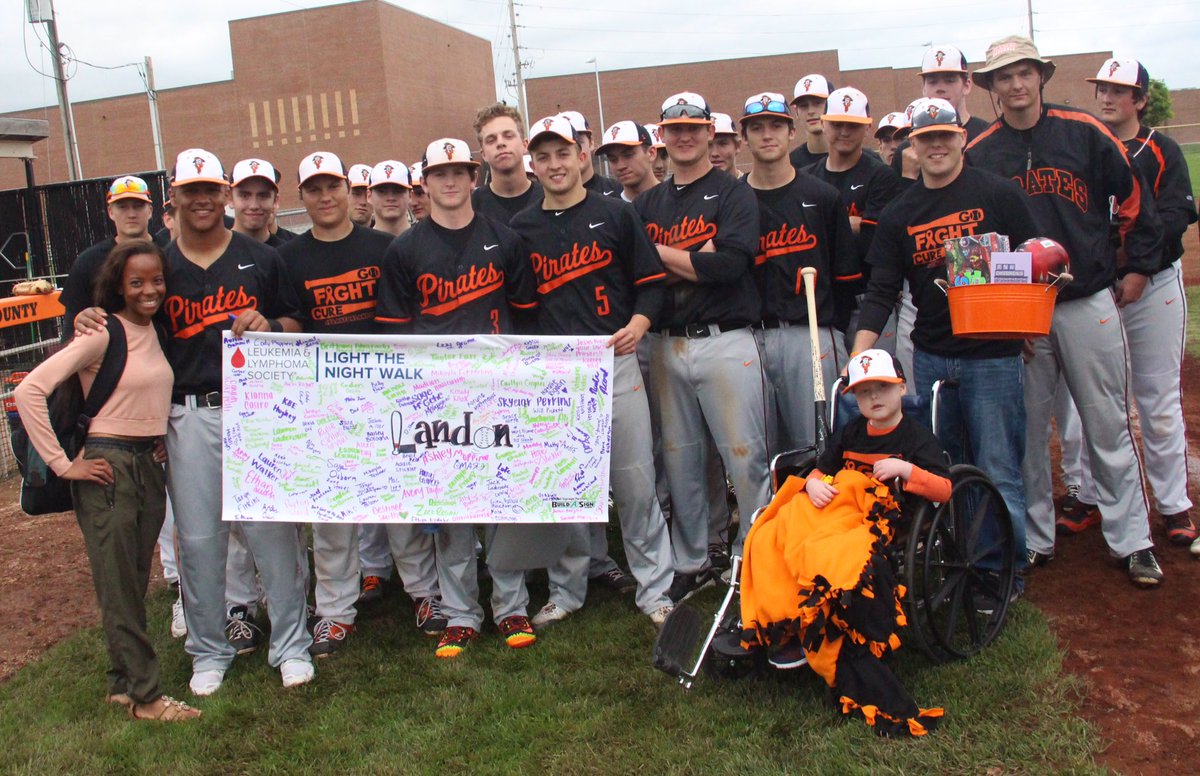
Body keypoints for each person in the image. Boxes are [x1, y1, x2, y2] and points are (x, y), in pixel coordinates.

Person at [79, 149, 315, 692]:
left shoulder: (261, 258)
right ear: (175, 200)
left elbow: (299, 320)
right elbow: (120, 320)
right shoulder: (157, 265)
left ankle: (291, 645)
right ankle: (209, 651)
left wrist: (273, 325)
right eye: (192, 191)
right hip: (188, 413)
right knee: (200, 539)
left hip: (258, 412)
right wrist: (88, 313)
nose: (203, 199)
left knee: (273, 533)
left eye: (212, 189)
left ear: (226, 193)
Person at [968, 35, 1165, 587]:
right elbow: (980, 238)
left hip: (1086, 299)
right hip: (1022, 308)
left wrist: (1137, 266)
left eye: (1023, 72)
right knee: (1026, 431)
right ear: (992, 87)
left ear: (1040, 77)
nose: (1015, 85)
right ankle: (1034, 539)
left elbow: (1133, 198)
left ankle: (1134, 540)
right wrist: (1003, 312)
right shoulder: (981, 150)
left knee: (1107, 422)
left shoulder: (1083, 129)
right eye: (1003, 77)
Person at [852, 98, 1040, 591]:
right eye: (925, 138)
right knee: (944, 465)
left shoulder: (996, 193)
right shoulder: (899, 214)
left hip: (993, 354)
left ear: (961, 138)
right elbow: (881, 291)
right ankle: (963, 563)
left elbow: (1034, 260)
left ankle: (1005, 572)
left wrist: (1020, 321)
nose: (936, 145)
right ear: (912, 146)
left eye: (945, 136)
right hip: (933, 353)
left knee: (997, 465)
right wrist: (861, 350)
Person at [16, 240, 199, 722]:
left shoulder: (156, 330)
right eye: (136, 282)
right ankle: (147, 696)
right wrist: (63, 463)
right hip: (107, 467)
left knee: (132, 580)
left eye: (156, 280)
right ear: (119, 284)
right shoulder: (102, 332)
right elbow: (30, 388)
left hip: (146, 464)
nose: (149, 290)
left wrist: (155, 436)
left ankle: (122, 684)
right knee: (117, 584)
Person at [510, 115, 676, 628]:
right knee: (566, 486)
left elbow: (652, 283)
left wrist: (640, 322)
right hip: (559, 375)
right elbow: (519, 309)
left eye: (563, 153)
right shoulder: (522, 229)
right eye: (544, 156)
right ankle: (566, 589)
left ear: (583, 156)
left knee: (634, 483)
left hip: (615, 360)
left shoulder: (615, 215)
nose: (554, 164)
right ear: (532, 166)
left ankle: (655, 590)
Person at [375, 138, 538, 658]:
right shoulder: (404, 249)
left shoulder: (504, 239)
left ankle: (510, 605)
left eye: (460, 172)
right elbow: (396, 335)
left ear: (475, 178)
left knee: (503, 501)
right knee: (451, 508)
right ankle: (461, 612)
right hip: (436, 396)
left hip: (498, 389)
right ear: (424, 183)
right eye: (440, 173)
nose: (450, 181)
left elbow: (525, 316)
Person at [283, 151, 446, 654]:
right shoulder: (289, 258)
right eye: (314, 188)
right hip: (325, 395)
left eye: (333, 185)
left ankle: (425, 592)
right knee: (332, 510)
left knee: (401, 499)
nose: (326, 196)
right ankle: (334, 610)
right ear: (303, 197)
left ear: (349, 188)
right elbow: (288, 323)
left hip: (388, 388)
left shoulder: (384, 247)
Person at [739, 349, 947, 737]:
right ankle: (785, 624)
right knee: (771, 532)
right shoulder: (851, 433)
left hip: (879, 521)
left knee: (833, 554)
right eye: (864, 392)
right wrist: (815, 481)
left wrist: (907, 470)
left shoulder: (916, 437)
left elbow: (946, 488)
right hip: (836, 510)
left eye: (882, 388)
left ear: (901, 387)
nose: (874, 399)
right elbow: (824, 467)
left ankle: (821, 629)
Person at [1050, 58, 1198, 548]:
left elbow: (1176, 213)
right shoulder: (1085, 144)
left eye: (1119, 90)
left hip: (1151, 286)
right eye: (1102, 89)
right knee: (1081, 401)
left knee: (1156, 401)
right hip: (1094, 289)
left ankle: (1174, 505)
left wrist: (1136, 263)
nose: (1108, 97)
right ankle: (1086, 493)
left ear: (1139, 99)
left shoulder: (1161, 149)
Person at [634, 91, 770, 602]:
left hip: (725, 340)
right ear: (661, 139)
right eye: (675, 129)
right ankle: (693, 559)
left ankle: (751, 552)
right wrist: (694, 257)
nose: (685, 136)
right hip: (667, 344)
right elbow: (641, 275)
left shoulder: (734, 192)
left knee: (744, 455)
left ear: (711, 132)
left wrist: (661, 255)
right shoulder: (647, 203)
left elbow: (730, 265)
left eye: (694, 127)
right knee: (681, 460)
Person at [740, 91, 858, 455]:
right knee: (762, 453)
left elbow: (845, 279)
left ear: (792, 132)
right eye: (756, 128)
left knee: (819, 447)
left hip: (810, 335)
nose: (767, 135)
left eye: (776, 125)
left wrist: (833, 333)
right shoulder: (733, 200)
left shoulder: (822, 196)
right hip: (747, 338)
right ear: (744, 137)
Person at [805, 86, 903, 349]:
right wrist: (852, 225)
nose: (844, 132)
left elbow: (876, 240)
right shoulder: (807, 178)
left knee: (876, 384)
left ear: (867, 128)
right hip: (823, 302)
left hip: (869, 300)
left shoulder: (881, 176)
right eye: (837, 124)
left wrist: (825, 227)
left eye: (853, 125)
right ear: (824, 125)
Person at [62, 175, 158, 328]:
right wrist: (79, 320)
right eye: (122, 206)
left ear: (150, 211)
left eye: (138, 206)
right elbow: (71, 324)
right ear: (110, 212)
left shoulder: (169, 252)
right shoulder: (88, 261)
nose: (131, 214)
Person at [892, 45, 991, 184]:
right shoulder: (908, 148)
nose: (940, 88)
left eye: (949, 80)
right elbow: (896, 203)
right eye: (933, 82)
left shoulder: (988, 136)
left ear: (967, 86)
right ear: (924, 89)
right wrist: (908, 176)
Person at [472, 103, 544, 222]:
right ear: (483, 154)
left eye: (508, 136)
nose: (500, 143)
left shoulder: (549, 198)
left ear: (525, 145)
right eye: (491, 140)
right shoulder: (472, 207)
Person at [557, 110, 621, 196]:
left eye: (578, 142)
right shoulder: (544, 200)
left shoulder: (618, 191)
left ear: (591, 142)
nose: (574, 150)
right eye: (565, 146)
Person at [598, 120, 659, 202]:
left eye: (628, 155)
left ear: (651, 153)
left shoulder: (675, 201)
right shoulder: (606, 208)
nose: (620, 166)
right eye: (613, 159)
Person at [229, 158, 286, 247]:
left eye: (263, 196)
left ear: (275, 201)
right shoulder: (212, 254)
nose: (254, 206)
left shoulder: (289, 255)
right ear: (230, 198)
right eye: (245, 196)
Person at [788, 74, 833, 170]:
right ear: (796, 111)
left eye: (818, 103)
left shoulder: (859, 158)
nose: (811, 111)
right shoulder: (789, 165)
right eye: (803, 105)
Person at [367, 160, 413, 237]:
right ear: (369, 196)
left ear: (410, 195)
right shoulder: (358, 245)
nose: (390, 198)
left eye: (398, 191)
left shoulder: (426, 241)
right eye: (382, 191)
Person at [709, 112, 742, 178]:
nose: (715, 154)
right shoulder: (691, 187)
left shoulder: (749, 186)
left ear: (737, 146)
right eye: (708, 145)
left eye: (722, 144)